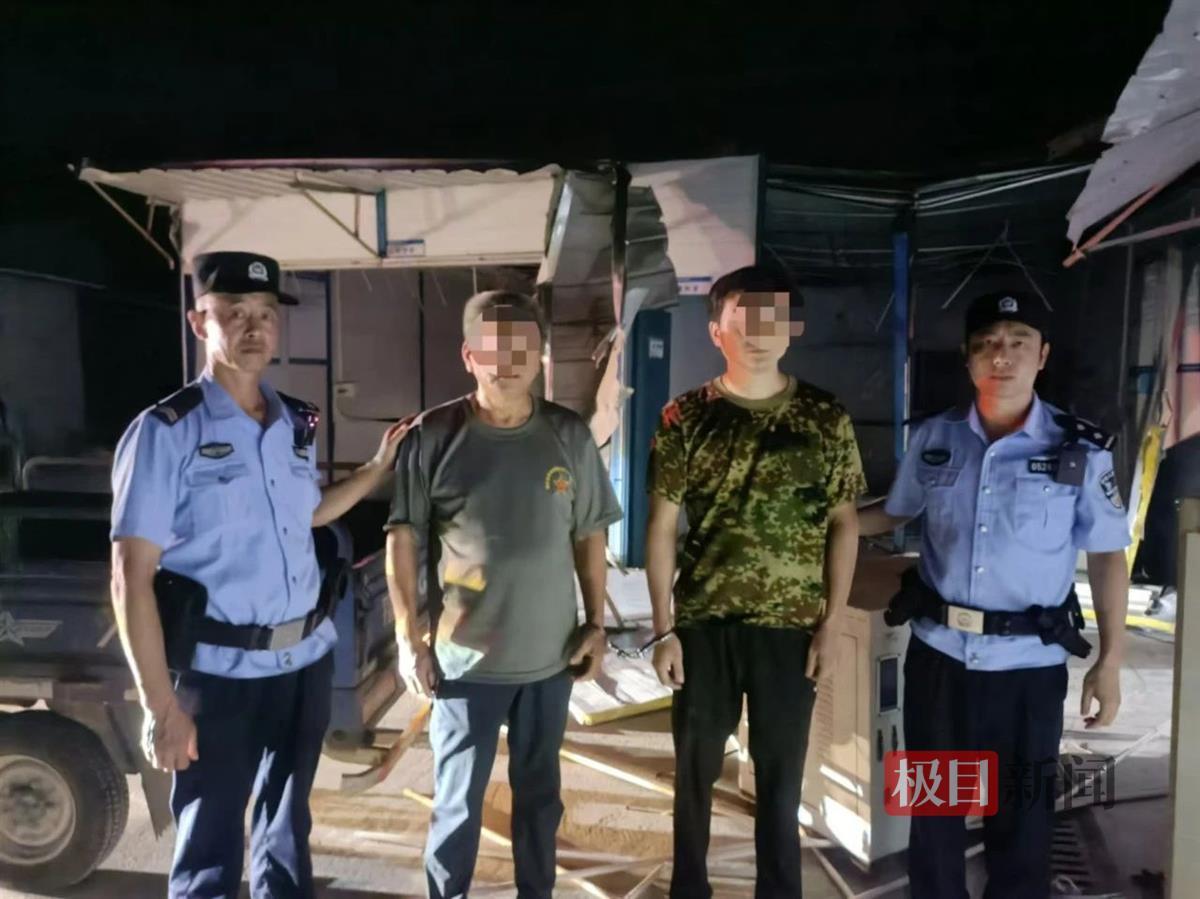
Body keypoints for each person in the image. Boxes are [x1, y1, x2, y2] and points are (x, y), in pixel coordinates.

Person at [110, 251, 406, 898]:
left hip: (304, 665)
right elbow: (130, 577)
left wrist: (375, 470)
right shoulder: (165, 432)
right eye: (233, 313)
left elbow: (306, 513)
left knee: (287, 834)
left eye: (265, 314)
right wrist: (162, 707)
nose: (253, 327)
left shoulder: (294, 422)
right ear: (199, 322)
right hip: (218, 677)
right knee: (210, 849)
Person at [858, 290, 1130, 898]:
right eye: (986, 343)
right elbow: (895, 511)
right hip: (940, 661)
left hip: (1028, 669)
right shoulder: (936, 437)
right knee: (935, 819)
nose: (1000, 355)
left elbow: (1107, 553)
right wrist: (832, 522)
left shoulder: (1080, 449)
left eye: (1017, 342)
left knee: (1021, 824)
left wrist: (1110, 660)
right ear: (967, 356)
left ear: (1042, 355)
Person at [384, 290, 623, 899]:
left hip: (549, 661)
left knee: (540, 799)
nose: (510, 360)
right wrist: (409, 639)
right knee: (458, 804)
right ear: (469, 356)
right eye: (494, 348)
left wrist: (596, 625)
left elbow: (589, 533)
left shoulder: (568, 435)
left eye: (523, 346)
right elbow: (403, 540)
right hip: (465, 664)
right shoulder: (433, 436)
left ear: (541, 355)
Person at [644, 265, 865, 898]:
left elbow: (844, 523)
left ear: (792, 328)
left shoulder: (824, 416)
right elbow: (661, 527)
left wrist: (831, 625)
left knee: (780, 782)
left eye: (773, 321)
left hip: (790, 632)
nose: (759, 335)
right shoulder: (686, 416)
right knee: (694, 779)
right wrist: (663, 630)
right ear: (717, 331)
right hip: (704, 627)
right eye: (744, 322)